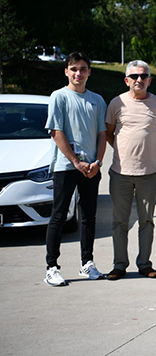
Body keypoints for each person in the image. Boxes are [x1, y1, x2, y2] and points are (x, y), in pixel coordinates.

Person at [44, 51, 107, 286]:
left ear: (89, 72)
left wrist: (97, 162)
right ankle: (51, 267)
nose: (78, 73)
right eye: (74, 69)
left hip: (90, 168)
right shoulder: (59, 97)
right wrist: (75, 161)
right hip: (65, 167)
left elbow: (102, 134)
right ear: (66, 71)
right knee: (59, 215)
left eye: (82, 69)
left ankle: (87, 263)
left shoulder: (97, 100)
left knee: (89, 216)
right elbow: (56, 132)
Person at [104, 60, 156, 280]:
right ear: (126, 80)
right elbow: (109, 133)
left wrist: (151, 150)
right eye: (134, 76)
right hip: (120, 173)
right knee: (119, 222)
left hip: (148, 174)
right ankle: (119, 265)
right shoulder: (116, 103)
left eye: (143, 76)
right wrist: (123, 151)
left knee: (146, 221)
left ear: (150, 80)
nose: (139, 80)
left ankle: (144, 264)